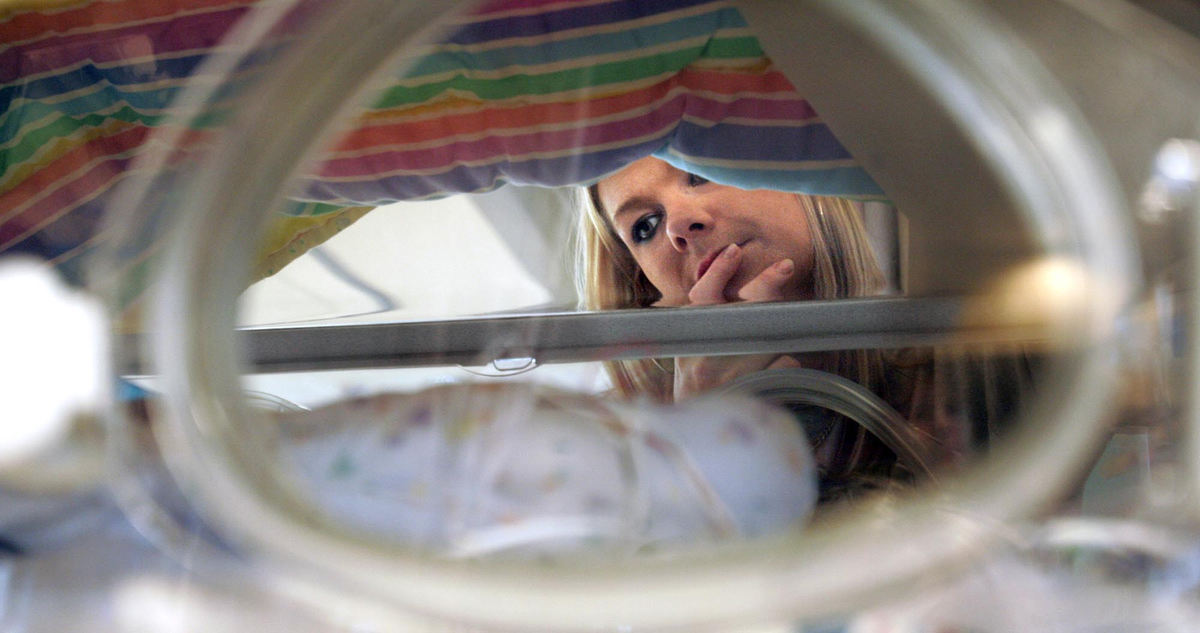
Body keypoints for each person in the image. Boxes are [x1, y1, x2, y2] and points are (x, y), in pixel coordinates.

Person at [577, 156, 1038, 494]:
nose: (679, 224)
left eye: (700, 173)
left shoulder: (978, 362)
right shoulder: (617, 450)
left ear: (803, 179)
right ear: (646, 287)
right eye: (645, 226)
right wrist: (699, 436)